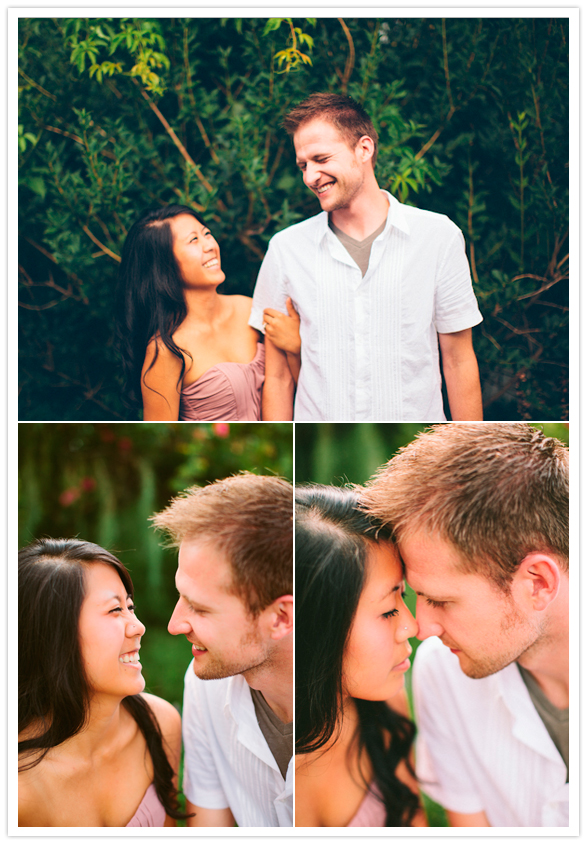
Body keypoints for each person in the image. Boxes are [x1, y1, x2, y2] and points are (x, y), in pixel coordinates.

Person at [361, 423, 569, 827]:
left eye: (440, 600)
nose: (423, 630)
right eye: (414, 596)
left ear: (538, 583)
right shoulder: (442, 671)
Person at [249, 92, 484, 422]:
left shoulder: (438, 237)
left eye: (321, 159)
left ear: (364, 149)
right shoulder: (286, 249)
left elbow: (458, 360)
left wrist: (466, 458)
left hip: (419, 448)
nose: (309, 177)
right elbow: (277, 378)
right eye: (303, 165)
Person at [151, 473, 293, 827]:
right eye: (180, 597)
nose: (174, 624)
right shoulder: (205, 683)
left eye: (199, 607)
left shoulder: (358, 691)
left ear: (280, 617)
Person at [18, 538, 183, 827]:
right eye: (114, 610)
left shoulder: (159, 723)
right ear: (57, 635)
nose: (138, 626)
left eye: (130, 606)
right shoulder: (17, 792)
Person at [295, 485, 426, 827]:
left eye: (404, 595)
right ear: (317, 626)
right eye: (387, 611)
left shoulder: (387, 709)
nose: (411, 626)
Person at [117, 204, 270, 421]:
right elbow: (164, 438)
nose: (209, 245)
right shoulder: (167, 348)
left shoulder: (249, 309)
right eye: (193, 240)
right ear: (164, 265)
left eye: (206, 233)